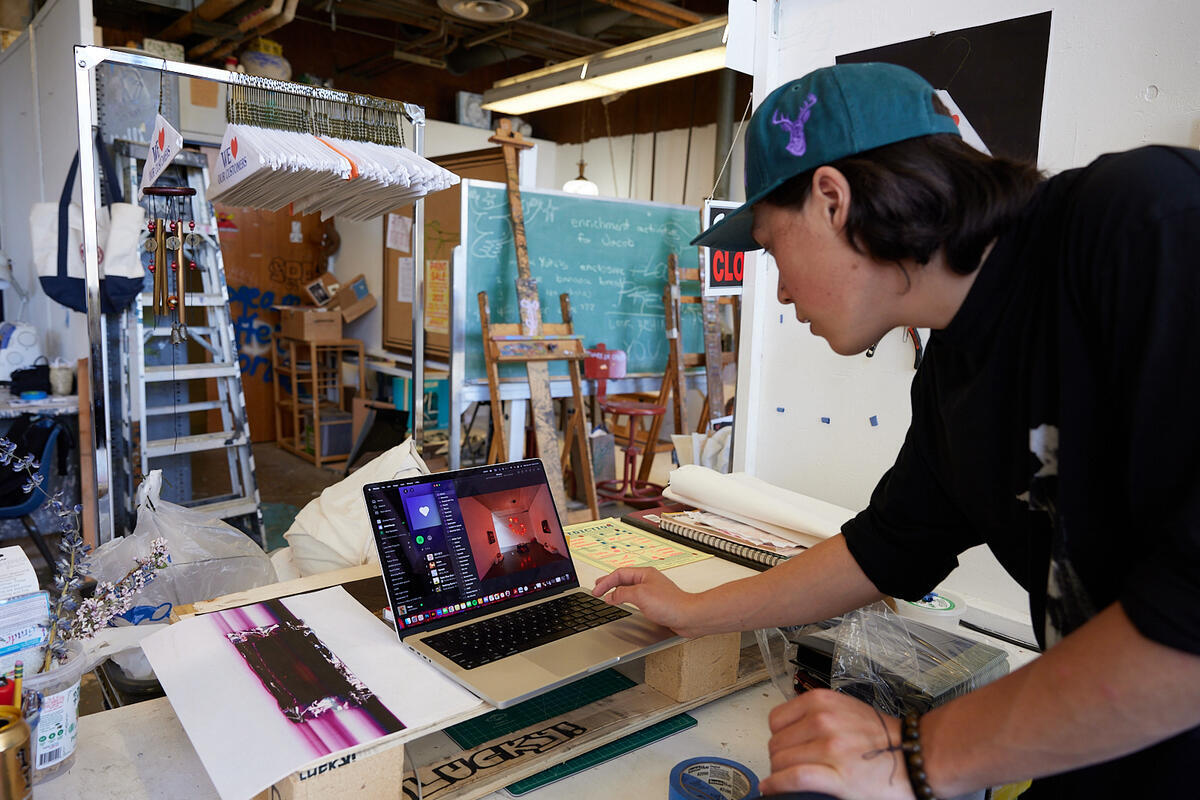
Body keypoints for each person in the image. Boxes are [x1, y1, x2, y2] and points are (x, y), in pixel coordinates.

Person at [592, 62, 1200, 800]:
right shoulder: (954, 365)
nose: (780, 291)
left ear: (831, 201)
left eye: (774, 248)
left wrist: (913, 756)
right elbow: (889, 544)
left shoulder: (1145, 221)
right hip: (1097, 755)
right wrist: (695, 612)